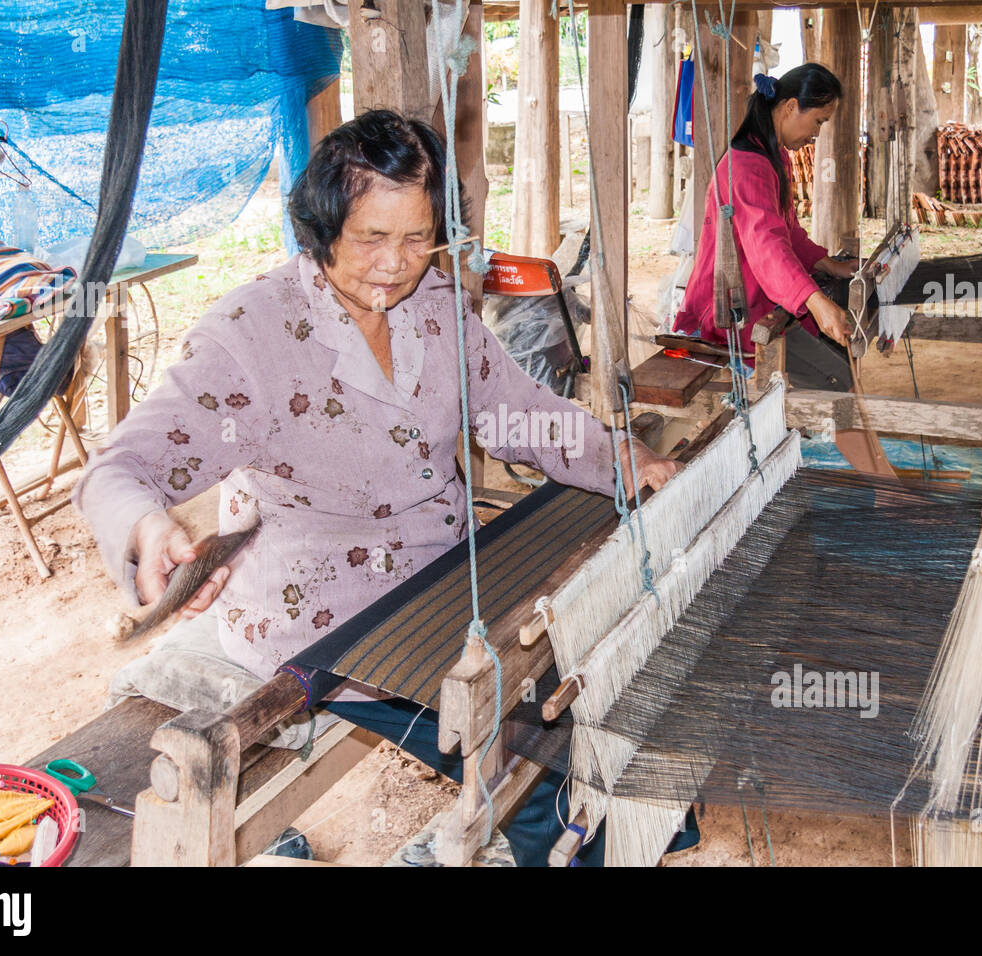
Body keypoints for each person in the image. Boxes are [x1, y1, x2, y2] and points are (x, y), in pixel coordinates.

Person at [73, 109, 689, 865]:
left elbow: (517, 414)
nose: (396, 264)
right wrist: (147, 530)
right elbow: (117, 470)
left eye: (416, 237)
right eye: (372, 237)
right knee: (559, 792)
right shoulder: (254, 338)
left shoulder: (434, 308)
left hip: (448, 581)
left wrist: (616, 456)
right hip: (335, 628)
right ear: (323, 225)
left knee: (625, 721)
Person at [673, 62, 892, 475]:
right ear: (791, 107)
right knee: (837, 382)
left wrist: (827, 264)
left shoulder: (771, 157)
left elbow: (786, 229)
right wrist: (816, 303)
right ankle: (887, 490)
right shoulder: (747, 165)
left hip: (762, 299)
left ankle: (882, 480)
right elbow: (766, 246)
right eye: (818, 121)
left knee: (836, 371)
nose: (817, 134)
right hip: (732, 312)